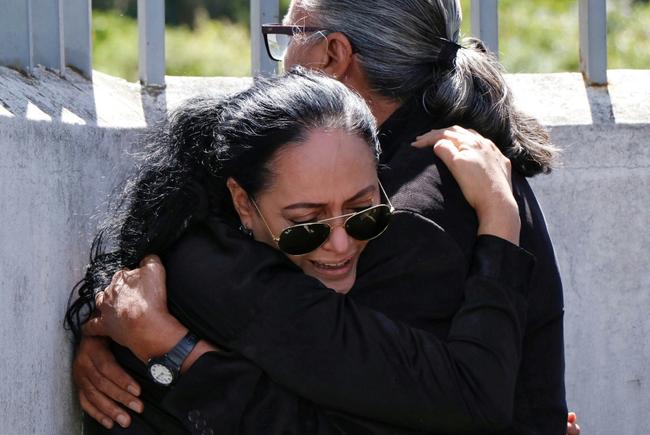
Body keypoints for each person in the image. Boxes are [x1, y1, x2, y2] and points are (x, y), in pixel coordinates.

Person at [71, 0, 574, 433]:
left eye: (288, 37)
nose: (338, 241)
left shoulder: (413, 213)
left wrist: (163, 351)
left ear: (331, 55)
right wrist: (109, 321)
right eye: (308, 222)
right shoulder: (438, 166)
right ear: (244, 203)